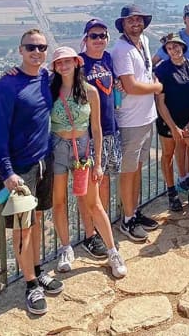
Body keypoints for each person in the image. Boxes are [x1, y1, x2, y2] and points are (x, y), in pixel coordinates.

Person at [0, 29, 63, 315]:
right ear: (20, 50)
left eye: (42, 47)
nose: (37, 52)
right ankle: (31, 285)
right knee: (22, 229)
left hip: (43, 162)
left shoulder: (46, 78)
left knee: (36, 222)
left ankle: (37, 268)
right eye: (31, 47)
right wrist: (6, 171)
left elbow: (73, 67)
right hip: (19, 170)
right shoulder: (6, 87)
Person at [47, 46, 126, 279]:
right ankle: (65, 248)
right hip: (58, 149)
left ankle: (113, 252)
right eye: (58, 63)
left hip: (82, 151)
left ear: (76, 62)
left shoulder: (90, 92)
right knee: (59, 202)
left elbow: (96, 129)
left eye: (67, 61)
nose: (63, 66)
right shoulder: (50, 90)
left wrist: (99, 161)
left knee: (94, 203)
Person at [110, 4, 163, 242]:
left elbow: (145, 72)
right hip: (130, 120)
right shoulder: (121, 49)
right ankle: (127, 219)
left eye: (139, 19)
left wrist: (152, 80)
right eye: (131, 20)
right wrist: (158, 87)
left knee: (137, 168)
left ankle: (134, 210)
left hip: (146, 116)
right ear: (123, 24)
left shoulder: (144, 43)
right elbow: (131, 85)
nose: (136, 23)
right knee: (128, 171)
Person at [153, 2, 189, 193]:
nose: (174, 50)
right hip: (172, 116)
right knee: (175, 149)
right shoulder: (164, 68)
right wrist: (152, 80)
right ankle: (181, 180)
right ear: (184, 18)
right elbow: (153, 63)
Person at [77, 18, 120, 259]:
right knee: (87, 188)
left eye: (103, 35)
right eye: (94, 35)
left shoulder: (108, 59)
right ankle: (89, 235)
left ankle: (103, 229)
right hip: (88, 135)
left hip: (108, 130)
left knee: (104, 182)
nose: (99, 39)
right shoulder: (79, 63)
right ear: (85, 38)